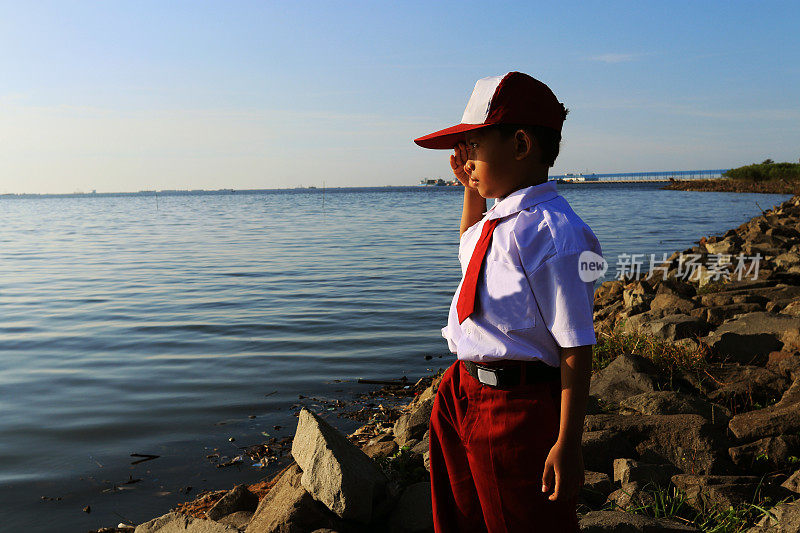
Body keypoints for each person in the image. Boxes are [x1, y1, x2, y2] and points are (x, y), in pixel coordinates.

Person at [413, 72, 603, 533]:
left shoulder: (555, 233)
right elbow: (469, 249)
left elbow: (576, 344)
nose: (465, 160)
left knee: (522, 519)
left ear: (520, 145)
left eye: (474, 146)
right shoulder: (498, 218)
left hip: (515, 403)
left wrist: (567, 442)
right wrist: (469, 190)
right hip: (461, 389)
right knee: (461, 514)